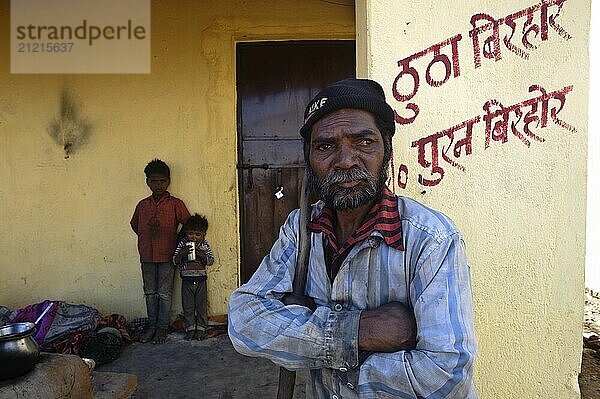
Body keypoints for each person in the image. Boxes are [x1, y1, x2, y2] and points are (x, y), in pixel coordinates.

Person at [228, 78, 477, 398]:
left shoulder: (431, 240)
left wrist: (302, 333)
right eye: (326, 146)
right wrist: (359, 332)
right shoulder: (301, 231)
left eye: (363, 142)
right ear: (309, 160)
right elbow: (244, 320)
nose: (345, 161)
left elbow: (446, 374)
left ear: (387, 149)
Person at [130, 159, 190, 344]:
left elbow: (188, 224)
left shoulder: (175, 204)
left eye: (162, 181)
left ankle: (162, 328)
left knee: (164, 292)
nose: (158, 185)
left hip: (168, 254)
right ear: (147, 182)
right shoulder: (142, 205)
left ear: (169, 181)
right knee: (150, 292)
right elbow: (135, 225)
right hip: (146, 254)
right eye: (154, 181)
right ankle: (152, 325)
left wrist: (176, 241)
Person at [173, 213, 215, 340]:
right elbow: (175, 260)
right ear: (186, 233)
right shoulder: (182, 244)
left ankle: (202, 328)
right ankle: (190, 328)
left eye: (198, 234)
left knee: (201, 306)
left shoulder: (204, 245)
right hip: (187, 281)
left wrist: (201, 254)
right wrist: (182, 253)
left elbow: (210, 261)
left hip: (201, 280)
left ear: (203, 235)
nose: (194, 237)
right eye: (191, 233)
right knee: (188, 306)